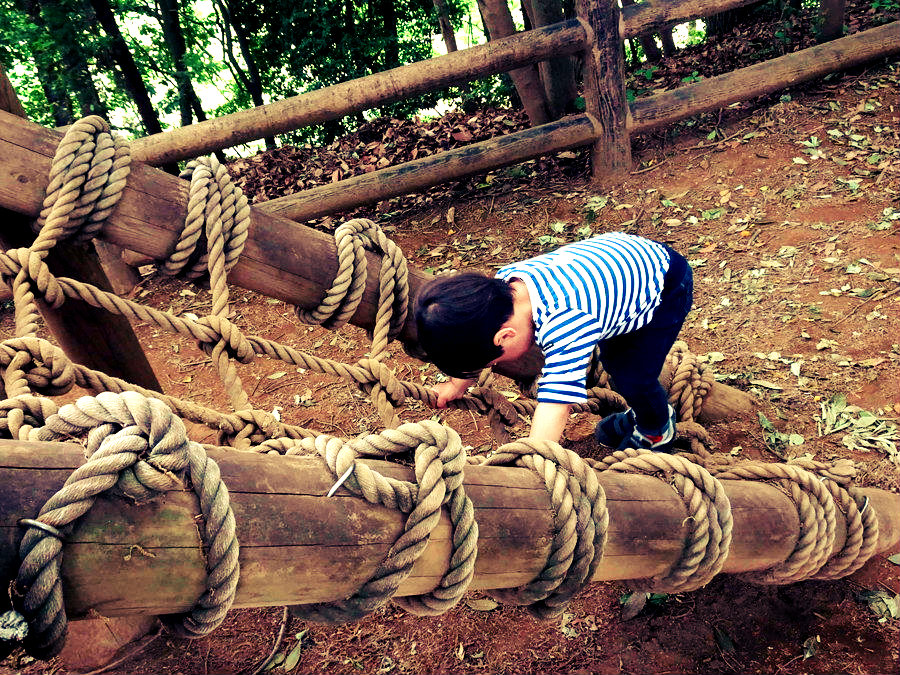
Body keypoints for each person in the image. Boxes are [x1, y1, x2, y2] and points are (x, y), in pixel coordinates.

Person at [413, 231, 693, 452]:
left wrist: (533, 457)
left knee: (632, 375)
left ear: (506, 336)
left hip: (664, 285)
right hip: (618, 262)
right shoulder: (499, 290)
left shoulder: (566, 323)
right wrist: (457, 385)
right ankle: (642, 412)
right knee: (614, 361)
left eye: (494, 360)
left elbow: (557, 404)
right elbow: (477, 342)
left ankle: (655, 427)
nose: (494, 364)